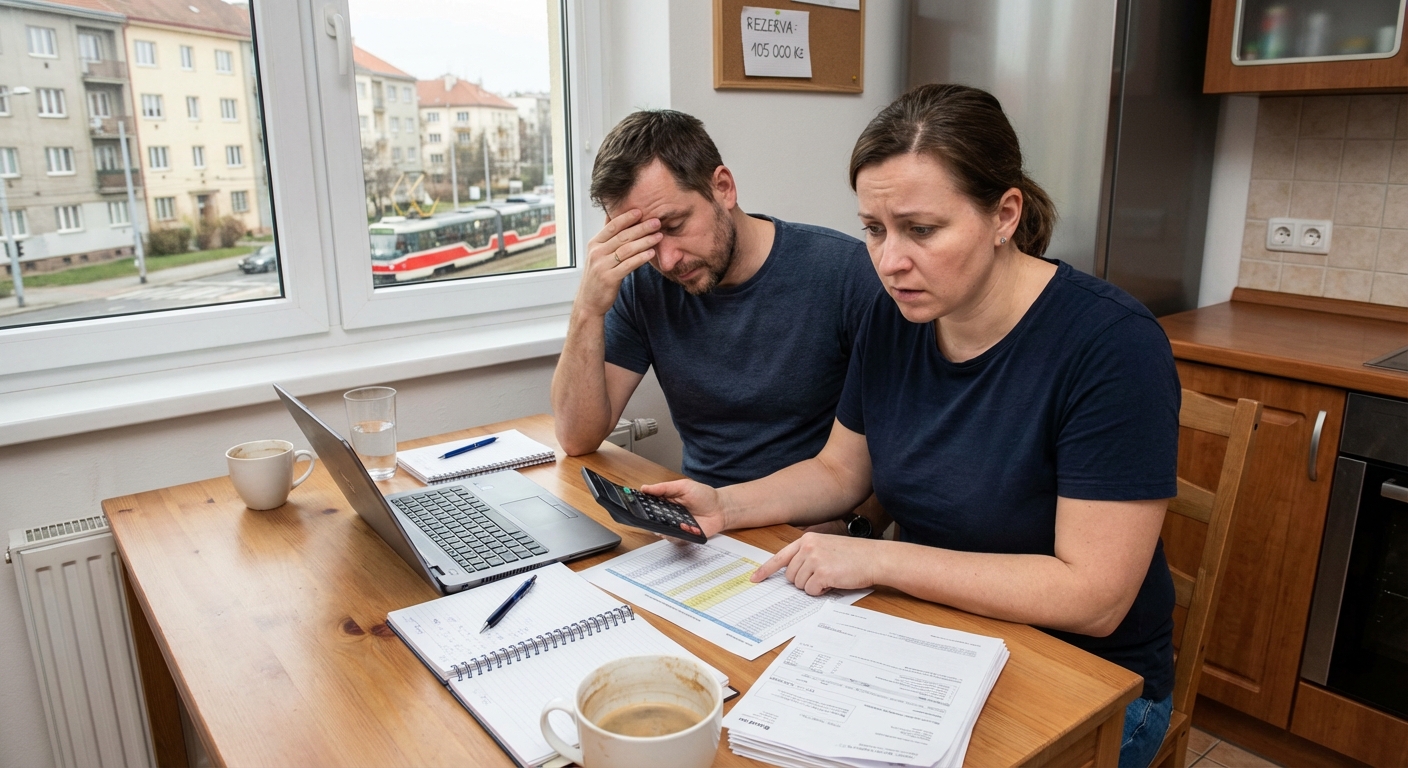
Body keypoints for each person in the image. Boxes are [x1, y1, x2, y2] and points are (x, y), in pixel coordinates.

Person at [641, 85, 1180, 768]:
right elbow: (841, 471)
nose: (890, 260)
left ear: (1004, 215)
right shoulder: (895, 320)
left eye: (921, 230)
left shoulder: (1110, 344)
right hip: (936, 641)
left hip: (1089, 684)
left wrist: (878, 559)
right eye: (874, 229)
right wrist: (724, 504)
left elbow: (1095, 598)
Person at [551, 109, 886, 535]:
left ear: (723, 188)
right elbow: (577, 438)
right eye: (646, 241)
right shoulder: (643, 282)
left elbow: (898, 442)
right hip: (704, 528)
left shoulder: (844, 274)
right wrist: (587, 308)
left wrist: (855, 528)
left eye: (675, 225)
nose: (667, 259)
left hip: (812, 530)